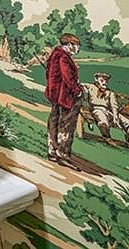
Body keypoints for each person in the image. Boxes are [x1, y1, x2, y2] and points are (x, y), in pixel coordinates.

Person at [45, 34, 83, 169]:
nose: (78, 48)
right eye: (77, 45)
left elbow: (49, 73)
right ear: (70, 45)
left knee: (54, 122)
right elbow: (68, 77)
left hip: (55, 95)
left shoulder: (56, 54)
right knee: (66, 125)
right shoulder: (64, 57)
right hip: (65, 96)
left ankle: (52, 151)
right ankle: (63, 155)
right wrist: (77, 90)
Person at [83, 72, 129, 152]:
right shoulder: (90, 87)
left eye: (106, 81)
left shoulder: (110, 92)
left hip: (109, 111)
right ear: (96, 79)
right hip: (97, 109)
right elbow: (79, 85)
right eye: (102, 80)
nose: (104, 82)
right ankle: (107, 137)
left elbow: (114, 105)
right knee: (103, 122)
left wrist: (115, 116)